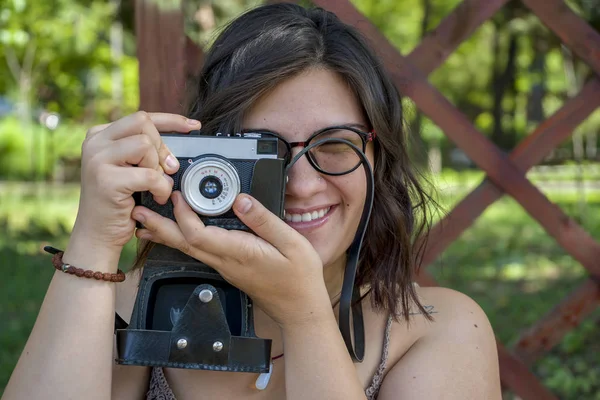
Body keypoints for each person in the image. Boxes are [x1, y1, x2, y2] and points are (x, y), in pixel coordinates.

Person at [2, 3, 501, 400]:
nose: (302, 184)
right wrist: (92, 241)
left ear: (379, 160)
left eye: (336, 145)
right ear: (208, 161)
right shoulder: (132, 306)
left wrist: (303, 313)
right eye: (265, 153)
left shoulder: (440, 329)